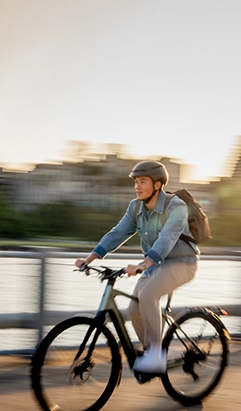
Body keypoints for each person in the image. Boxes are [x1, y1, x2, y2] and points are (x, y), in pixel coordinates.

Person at [75, 160, 198, 377]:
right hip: (154, 266)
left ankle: (156, 355)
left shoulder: (176, 206)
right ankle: (151, 351)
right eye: (136, 182)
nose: (137, 186)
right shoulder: (136, 207)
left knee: (148, 294)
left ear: (158, 185)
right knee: (133, 309)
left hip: (182, 263)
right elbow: (118, 233)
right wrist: (90, 257)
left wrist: (144, 263)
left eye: (143, 181)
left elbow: (167, 238)